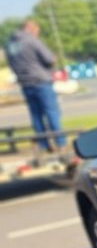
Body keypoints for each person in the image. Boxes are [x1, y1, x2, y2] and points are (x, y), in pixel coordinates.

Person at [4, 19, 65, 152]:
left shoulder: (10, 44)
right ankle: (60, 143)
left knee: (36, 115)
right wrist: (53, 59)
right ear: (31, 29)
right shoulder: (32, 41)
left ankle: (43, 145)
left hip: (25, 83)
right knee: (51, 112)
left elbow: (11, 63)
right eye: (37, 31)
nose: (37, 34)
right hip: (41, 81)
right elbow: (49, 59)